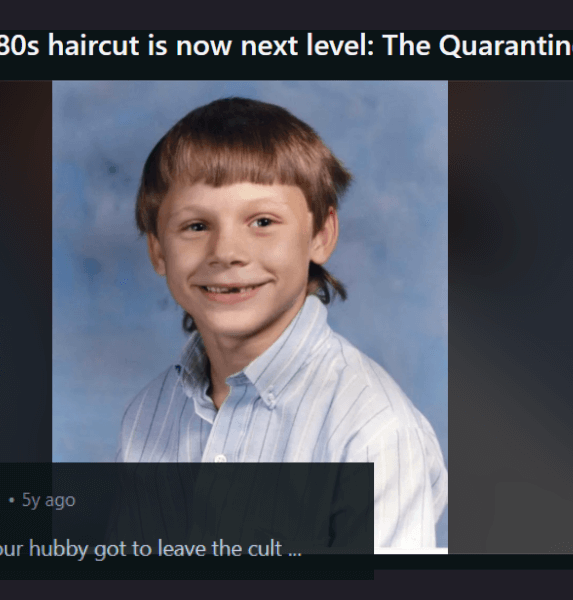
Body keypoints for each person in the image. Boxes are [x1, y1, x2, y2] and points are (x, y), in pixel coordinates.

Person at [116, 97, 447, 548]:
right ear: (158, 249)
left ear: (321, 235)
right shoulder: (147, 416)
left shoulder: (373, 433)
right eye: (196, 226)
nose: (226, 252)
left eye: (263, 221)